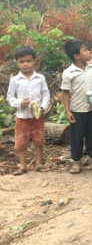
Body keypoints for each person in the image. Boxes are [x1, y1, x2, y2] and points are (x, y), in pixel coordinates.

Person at [61, 39, 92, 174]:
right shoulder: (69, 73)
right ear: (77, 56)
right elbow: (65, 93)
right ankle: (76, 162)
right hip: (77, 110)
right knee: (76, 137)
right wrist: (67, 111)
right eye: (85, 50)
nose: (89, 52)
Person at [7, 47, 50, 175]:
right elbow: (10, 97)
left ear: (34, 61)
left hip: (37, 115)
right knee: (21, 140)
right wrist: (20, 103)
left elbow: (45, 94)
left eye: (28, 61)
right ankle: (23, 166)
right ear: (17, 63)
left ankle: (38, 163)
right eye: (21, 61)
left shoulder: (40, 78)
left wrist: (42, 107)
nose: (25, 64)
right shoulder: (15, 80)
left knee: (38, 138)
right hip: (22, 115)